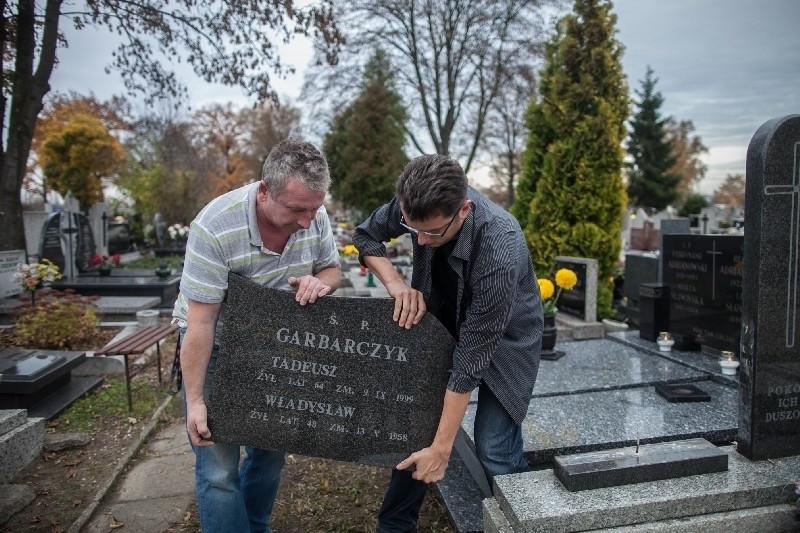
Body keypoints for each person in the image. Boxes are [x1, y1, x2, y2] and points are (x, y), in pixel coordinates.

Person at [352, 154, 543, 532]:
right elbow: (365, 235)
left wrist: (443, 449)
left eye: (433, 233)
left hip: (507, 340)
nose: (421, 241)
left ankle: (527, 522)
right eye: (412, 228)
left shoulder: (499, 245)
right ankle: (395, 526)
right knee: (414, 421)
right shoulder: (417, 200)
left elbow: (471, 358)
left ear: (464, 210)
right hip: (440, 321)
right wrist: (396, 284)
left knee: (494, 446)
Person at [172, 139, 341, 532]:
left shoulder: (315, 214)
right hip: (217, 346)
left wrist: (321, 283)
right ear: (265, 191)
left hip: (275, 347)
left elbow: (332, 268)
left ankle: (253, 525)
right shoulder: (215, 226)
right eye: (297, 209)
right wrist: (196, 401)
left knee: (271, 453)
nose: (307, 221)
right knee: (218, 467)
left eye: (314, 209)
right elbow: (200, 322)